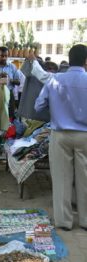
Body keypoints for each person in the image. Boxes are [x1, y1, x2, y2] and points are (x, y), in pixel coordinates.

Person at [35, 44, 87, 231]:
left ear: (69, 59)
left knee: (62, 178)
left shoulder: (55, 80)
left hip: (60, 135)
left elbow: (38, 106)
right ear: (86, 61)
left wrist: (56, 108)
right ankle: (85, 220)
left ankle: (64, 222)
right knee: (85, 178)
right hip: (85, 136)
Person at [0, 46, 20, 118]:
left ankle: (9, 128)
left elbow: (18, 82)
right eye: (2, 56)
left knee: (10, 115)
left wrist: (9, 79)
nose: (4, 58)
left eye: (6, 56)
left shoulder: (12, 66)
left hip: (9, 93)